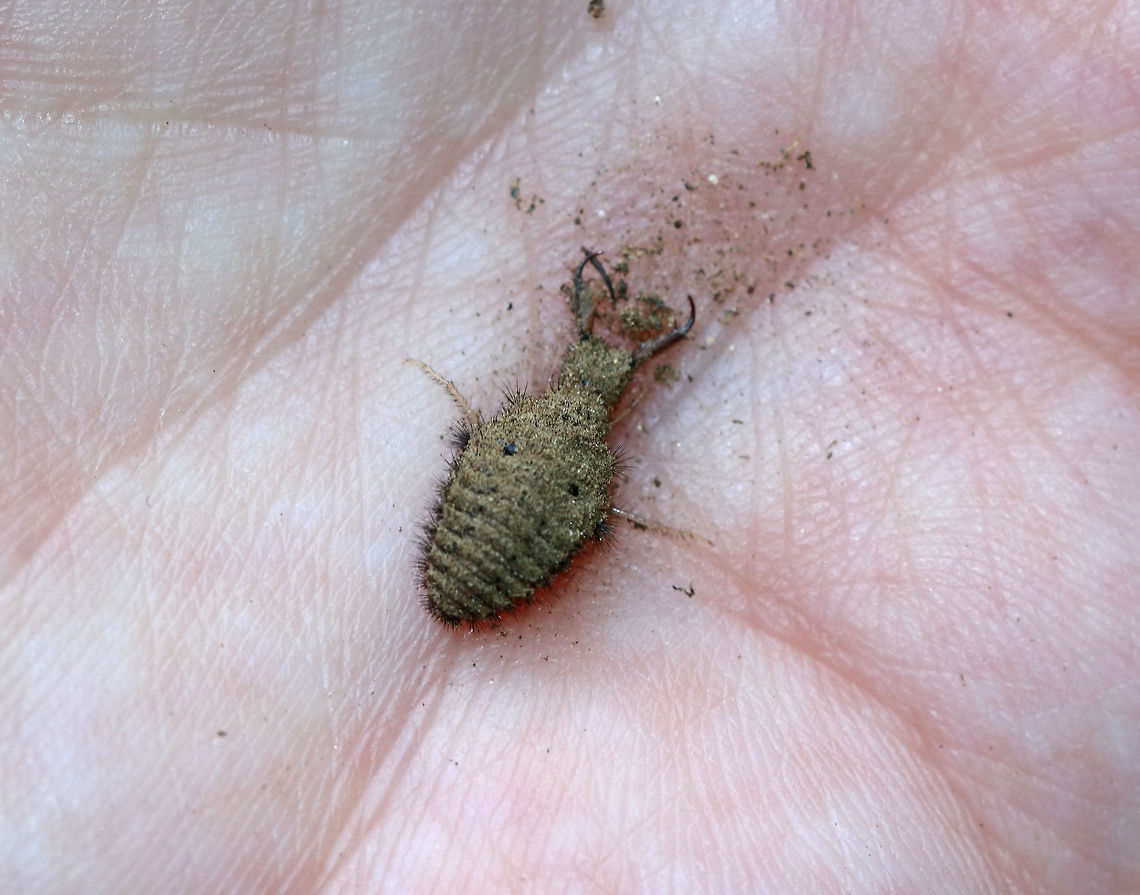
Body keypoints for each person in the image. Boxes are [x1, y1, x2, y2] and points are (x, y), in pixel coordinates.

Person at [2, 2, 1136, 891]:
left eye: (624, 361)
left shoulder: (555, 445)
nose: (613, 360)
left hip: (497, 537)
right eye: (610, 352)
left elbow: (522, 487)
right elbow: (558, 514)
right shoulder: (578, 458)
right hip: (490, 546)